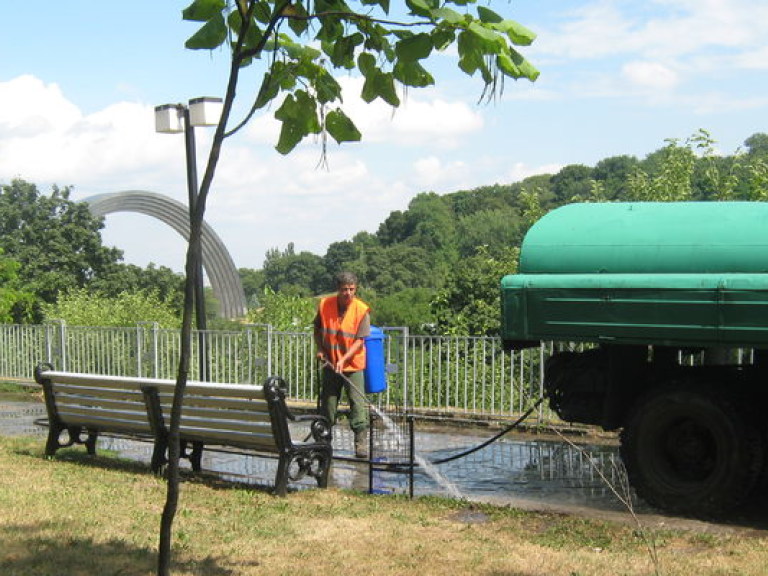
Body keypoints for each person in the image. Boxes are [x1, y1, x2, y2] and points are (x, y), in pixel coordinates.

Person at [314, 271, 371, 458]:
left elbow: (359, 341)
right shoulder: (325, 305)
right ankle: (324, 441)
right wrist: (321, 349)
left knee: (357, 403)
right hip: (331, 363)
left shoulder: (361, 310)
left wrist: (344, 360)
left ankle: (360, 443)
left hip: (353, 364)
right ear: (338, 290)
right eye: (344, 289)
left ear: (356, 289)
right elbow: (317, 328)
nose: (348, 293)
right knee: (328, 403)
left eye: (351, 289)